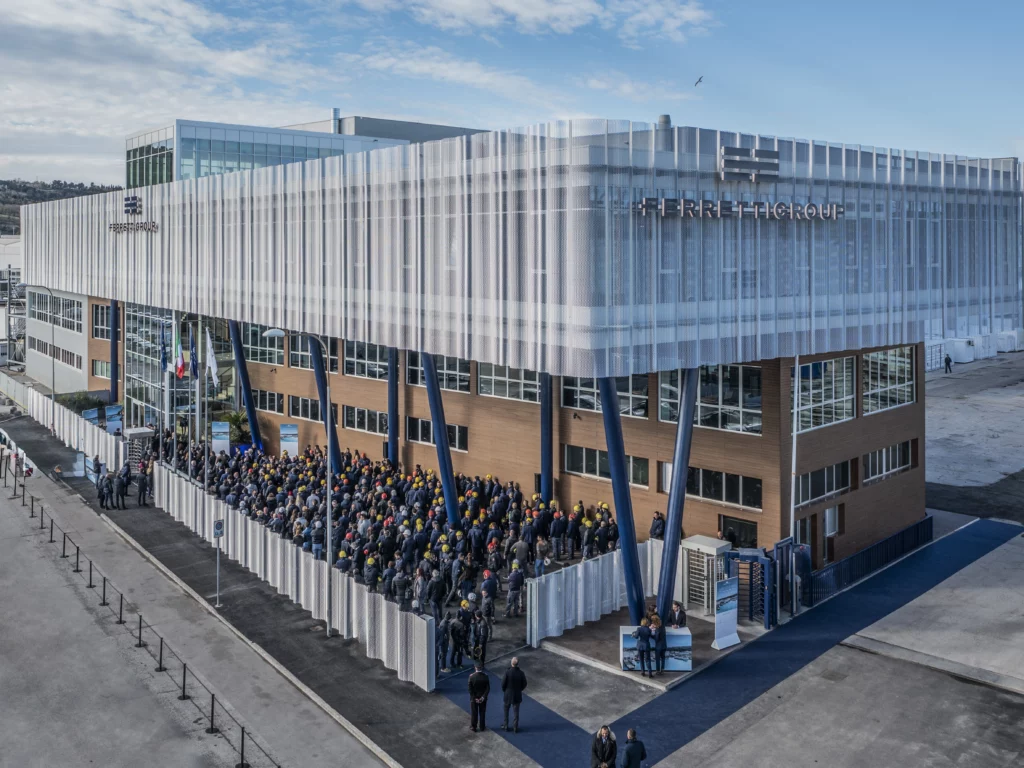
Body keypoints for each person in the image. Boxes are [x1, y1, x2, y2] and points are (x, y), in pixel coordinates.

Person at [500, 656, 527, 733]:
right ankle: (515, 727)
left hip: (508, 695)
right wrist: (519, 689)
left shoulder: (507, 672)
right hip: (517, 695)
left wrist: (505, 690)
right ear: (517, 664)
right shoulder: (521, 673)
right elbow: (524, 684)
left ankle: (505, 725)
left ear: (511, 663)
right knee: (516, 712)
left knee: (506, 711)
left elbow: (503, 684)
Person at [468, 662, 490, 732]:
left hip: (474, 699)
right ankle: (482, 727)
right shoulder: (486, 676)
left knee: (474, 713)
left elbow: (470, 690)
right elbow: (488, 688)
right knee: (482, 712)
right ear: (481, 668)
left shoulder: (471, 677)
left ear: (475, 668)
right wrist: (483, 697)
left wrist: (474, 698)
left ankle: (473, 727)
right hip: (483, 699)